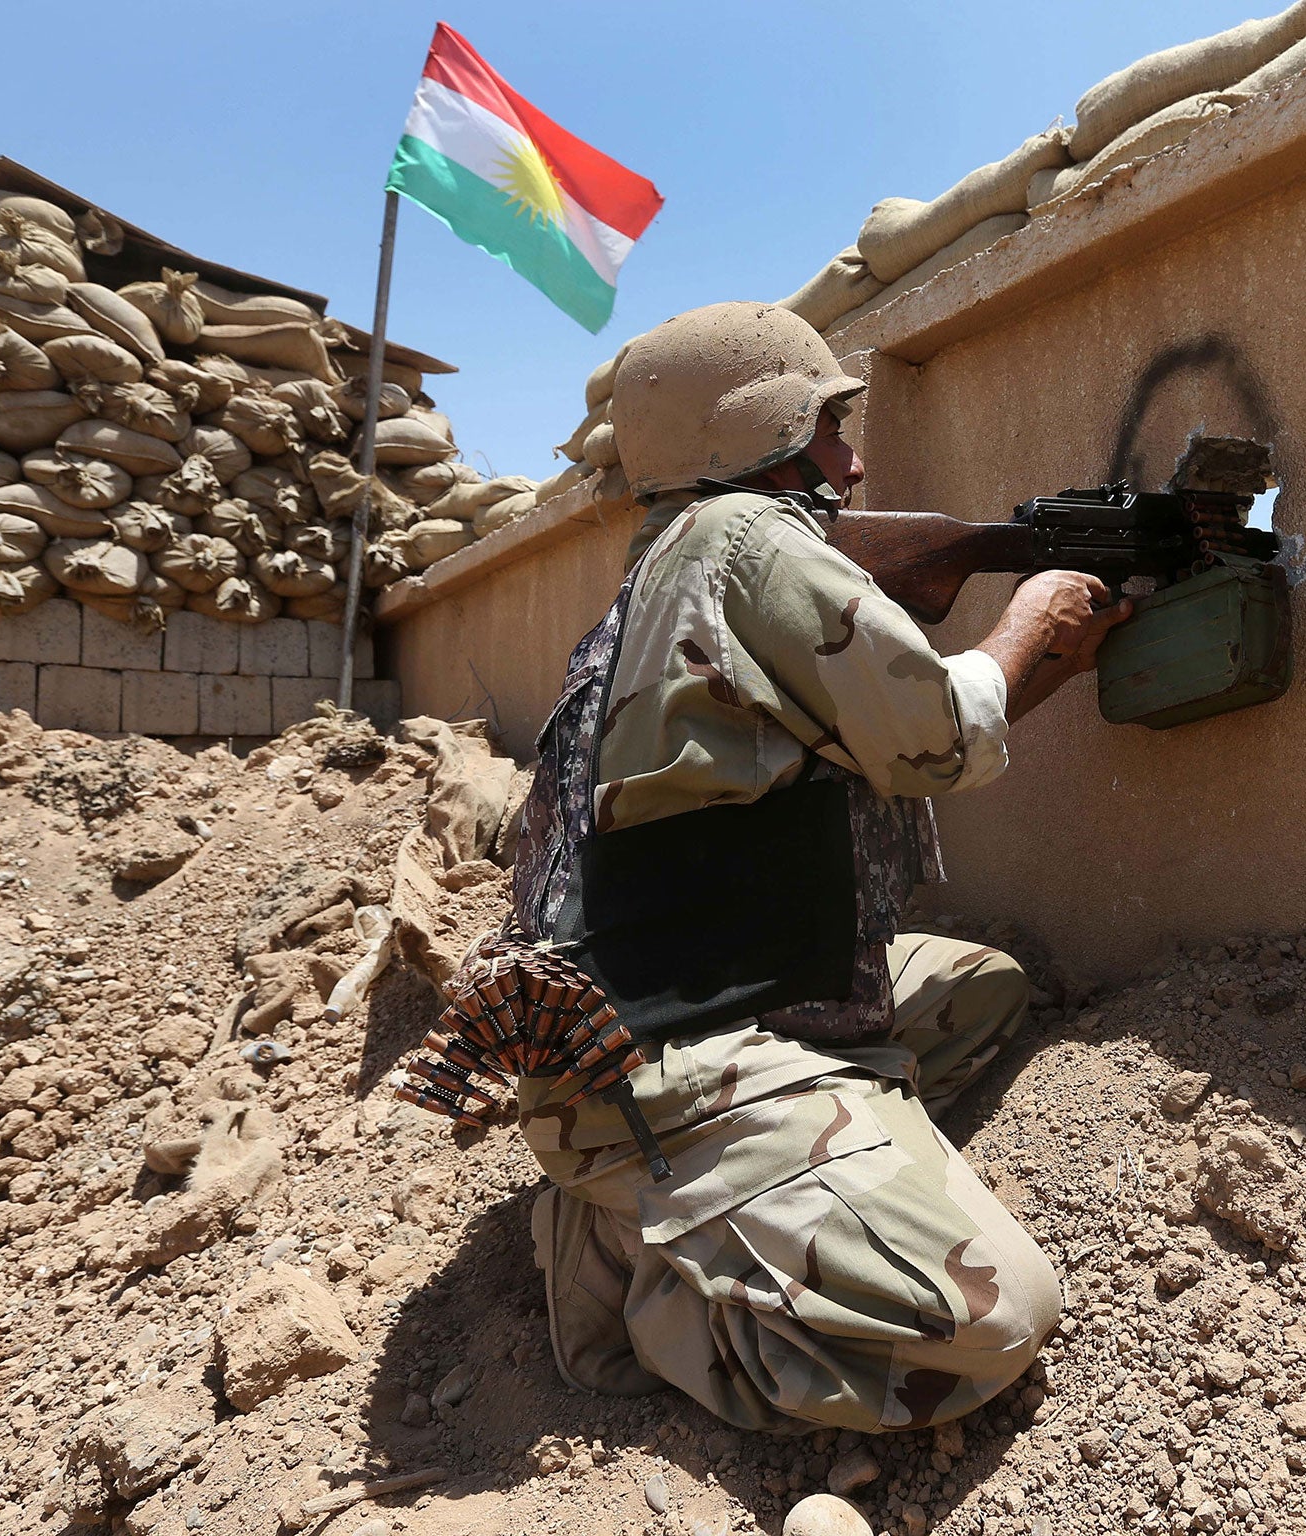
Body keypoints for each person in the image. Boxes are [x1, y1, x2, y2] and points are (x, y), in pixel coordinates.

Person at [500, 301, 1129, 1434]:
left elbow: (894, 746)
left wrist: (1044, 653)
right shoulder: (747, 537)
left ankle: (767, 1190)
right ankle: (655, 1276)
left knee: (980, 986)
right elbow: (936, 731)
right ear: (755, 442)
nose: (852, 460)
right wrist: (1031, 614)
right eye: (827, 430)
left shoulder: (665, 574)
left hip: (684, 1002)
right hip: (679, 1053)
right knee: (992, 1317)